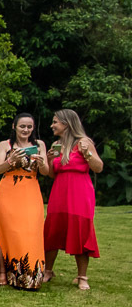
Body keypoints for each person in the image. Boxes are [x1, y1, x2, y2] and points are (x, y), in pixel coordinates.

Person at [43, 109, 102, 290]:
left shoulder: (84, 143)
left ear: (66, 124)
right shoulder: (56, 144)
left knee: (80, 230)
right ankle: (48, 270)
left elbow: (98, 168)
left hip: (80, 192)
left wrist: (88, 154)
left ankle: (82, 276)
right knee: (54, 229)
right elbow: (52, 174)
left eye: (55, 122)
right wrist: (49, 158)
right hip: (60, 191)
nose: (52, 125)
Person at [0, 114, 49, 290]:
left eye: (29, 127)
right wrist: (11, 161)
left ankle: (30, 274)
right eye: (22, 126)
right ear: (14, 126)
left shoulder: (39, 145)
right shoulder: (5, 145)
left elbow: (46, 172)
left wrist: (41, 163)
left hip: (31, 190)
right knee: (7, 230)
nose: (25, 130)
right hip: (8, 189)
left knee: (31, 230)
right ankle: (3, 272)